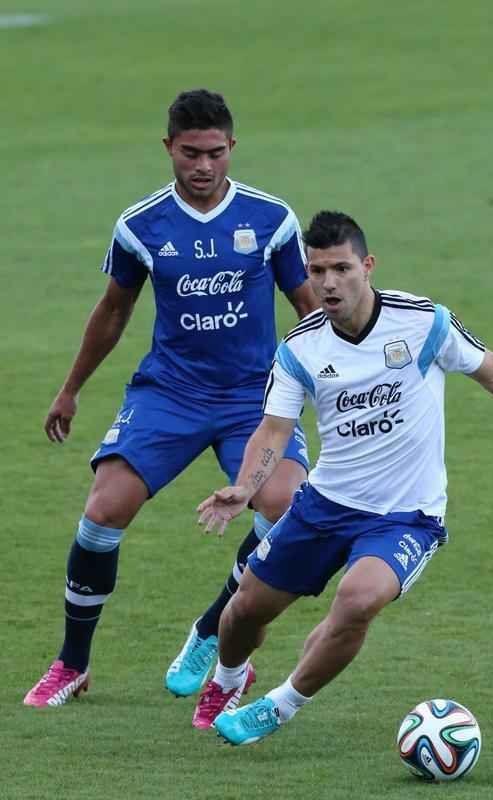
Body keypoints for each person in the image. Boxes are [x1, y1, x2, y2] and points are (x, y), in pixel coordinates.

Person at [190, 210, 493, 742]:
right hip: (325, 504)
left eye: (341, 269)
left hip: (407, 515)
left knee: (359, 600)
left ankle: (279, 706)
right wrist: (245, 488)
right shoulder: (300, 348)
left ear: (368, 266)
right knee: (245, 611)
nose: (328, 283)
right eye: (316, 272)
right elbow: (273, 430)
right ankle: (228, 676)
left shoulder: (422, 322)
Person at [23, 89, 319, 725]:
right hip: (170, 393)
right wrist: (70, 387)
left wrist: (335, 379)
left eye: (215, 153)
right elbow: (113, 311)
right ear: (168, 150)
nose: (204, 166)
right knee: (104, 510)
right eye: (191, 154)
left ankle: (215, 630)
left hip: (254, 398)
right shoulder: (142, 224)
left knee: (284, 506)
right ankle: (72, 664)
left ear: (232, 148)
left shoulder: (272, 219)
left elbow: (308, 308)